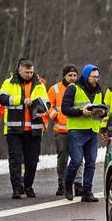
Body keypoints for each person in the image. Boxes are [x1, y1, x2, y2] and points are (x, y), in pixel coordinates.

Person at [0, 58, 49, 199]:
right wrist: (21, 100)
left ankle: (28, 186)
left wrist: (42, 108)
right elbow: (2, 99)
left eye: (31, 71)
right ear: (19, 70)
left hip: (34, 130)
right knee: (15, 160)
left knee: (32, 161)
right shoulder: (9, 82)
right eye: (26, 72)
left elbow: (46, 102)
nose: (29, 74)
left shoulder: (39, 84)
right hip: (14, 129)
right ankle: (16, 188)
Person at [61, 63, 106, 202]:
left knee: (91, 163)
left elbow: (104, 110)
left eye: (98, 77)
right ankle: (68, 184)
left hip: (92, 131)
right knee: (76, 161)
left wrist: (103, 113)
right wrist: (82, 112)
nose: (96, 79)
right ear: (86, 76)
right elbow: (65, 109)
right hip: (77, 131)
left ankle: (87, 191)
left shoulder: (99, 91)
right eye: (93, 77)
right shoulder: (73, 88)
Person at [47, 64, 83, 197]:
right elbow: (47, 105)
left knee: (78, 159)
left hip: (78, 130)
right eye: (70, 75)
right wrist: (54, 115)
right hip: (61, 130)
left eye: (75, 75)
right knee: (63, 158)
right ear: (64, 75)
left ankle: (78, 185)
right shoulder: (54, 89)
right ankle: (61, 183)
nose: (73, 78)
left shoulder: (81, 88)